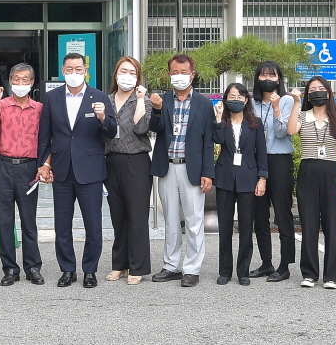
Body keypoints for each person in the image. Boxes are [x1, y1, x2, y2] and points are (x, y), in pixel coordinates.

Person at [37, 52, 116, 288]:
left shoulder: (99, 97)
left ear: (85, 71)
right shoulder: (52, 98)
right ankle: (67, 269)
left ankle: (90, 270)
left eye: (78, 69)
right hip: (62, 169)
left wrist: (103, 117)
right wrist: (44, 164)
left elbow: (112, 131)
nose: (74, 73)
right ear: (63, 71)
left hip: (90, 170)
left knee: (93, 224)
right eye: (69, 69)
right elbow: (45, 135)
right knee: (62, 224)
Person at [148, 53, 215, 288]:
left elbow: (208, 141)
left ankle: (192, 268)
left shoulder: (204, 104)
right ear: (169, 74)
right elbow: (155, 128)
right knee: (170, 220)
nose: (179, 76)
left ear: (192, 75)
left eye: (183, 72)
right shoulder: (162, 100)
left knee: (194, 221)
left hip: (192, 168)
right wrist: (156, 110)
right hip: (167, 167)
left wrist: (208, 172)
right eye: (174, 72)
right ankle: (171, 265)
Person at [0, 62, 45, 286]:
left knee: (29, 220)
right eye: (16, 79)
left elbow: (47, 139)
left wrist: (45, 165)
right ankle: (10, 268)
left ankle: (33, 267)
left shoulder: (39, 108)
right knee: (5, 219)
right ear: (10, 81)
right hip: (2, 165)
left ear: (32, 82)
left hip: (28, 167)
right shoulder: (0, 105)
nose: (20, 83)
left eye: (25, 80)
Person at [287, 76, 336, 289]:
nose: (316, 92)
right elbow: (291, 131)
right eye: (312, 90)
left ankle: (331, 276)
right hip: (307, 170)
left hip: (332, 171)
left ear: (329, 91)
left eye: (320, 88)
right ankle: (309, 274)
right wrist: (296, 102)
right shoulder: (302, 115)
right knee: (309, 224)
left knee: (332, 225)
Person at [211, 83, 268, 286]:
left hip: (248, 177)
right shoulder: (222, 121)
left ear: (246, 99)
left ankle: (243, 271)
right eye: (231, 96)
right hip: (225, 177)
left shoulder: (255, 123)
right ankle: (225, 271)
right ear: (226, 99)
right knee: (225, 226)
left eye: (239, 96)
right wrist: (218, 118)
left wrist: (262, 178)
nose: (235, 100)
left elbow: (261, 151)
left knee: (246, 227)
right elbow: (217, 140)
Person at [104, 56, 152, 285]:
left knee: (137, 216)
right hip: (111, 161)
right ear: (116, 74)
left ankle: (137, 266)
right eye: (123, 71)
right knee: (118, 216)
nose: (127, 76)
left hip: (137, 162)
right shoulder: (106, 100)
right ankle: (119, 264)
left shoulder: (143, 100)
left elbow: (141, 128)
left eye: (133, 73)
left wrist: (141, 99)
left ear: (138, 77)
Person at [249, 61, 297, 283]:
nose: (267, 78)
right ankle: (266, 263)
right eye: (263, 75)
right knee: (260, 215)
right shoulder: (251, 103)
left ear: (279, 79)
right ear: (257, 78)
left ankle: (284, 265)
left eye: (272, 75)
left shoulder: (287, 101)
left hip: (279, 160)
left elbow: (281, 133)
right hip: (256, 161)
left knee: (282, 213)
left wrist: (276, 108)